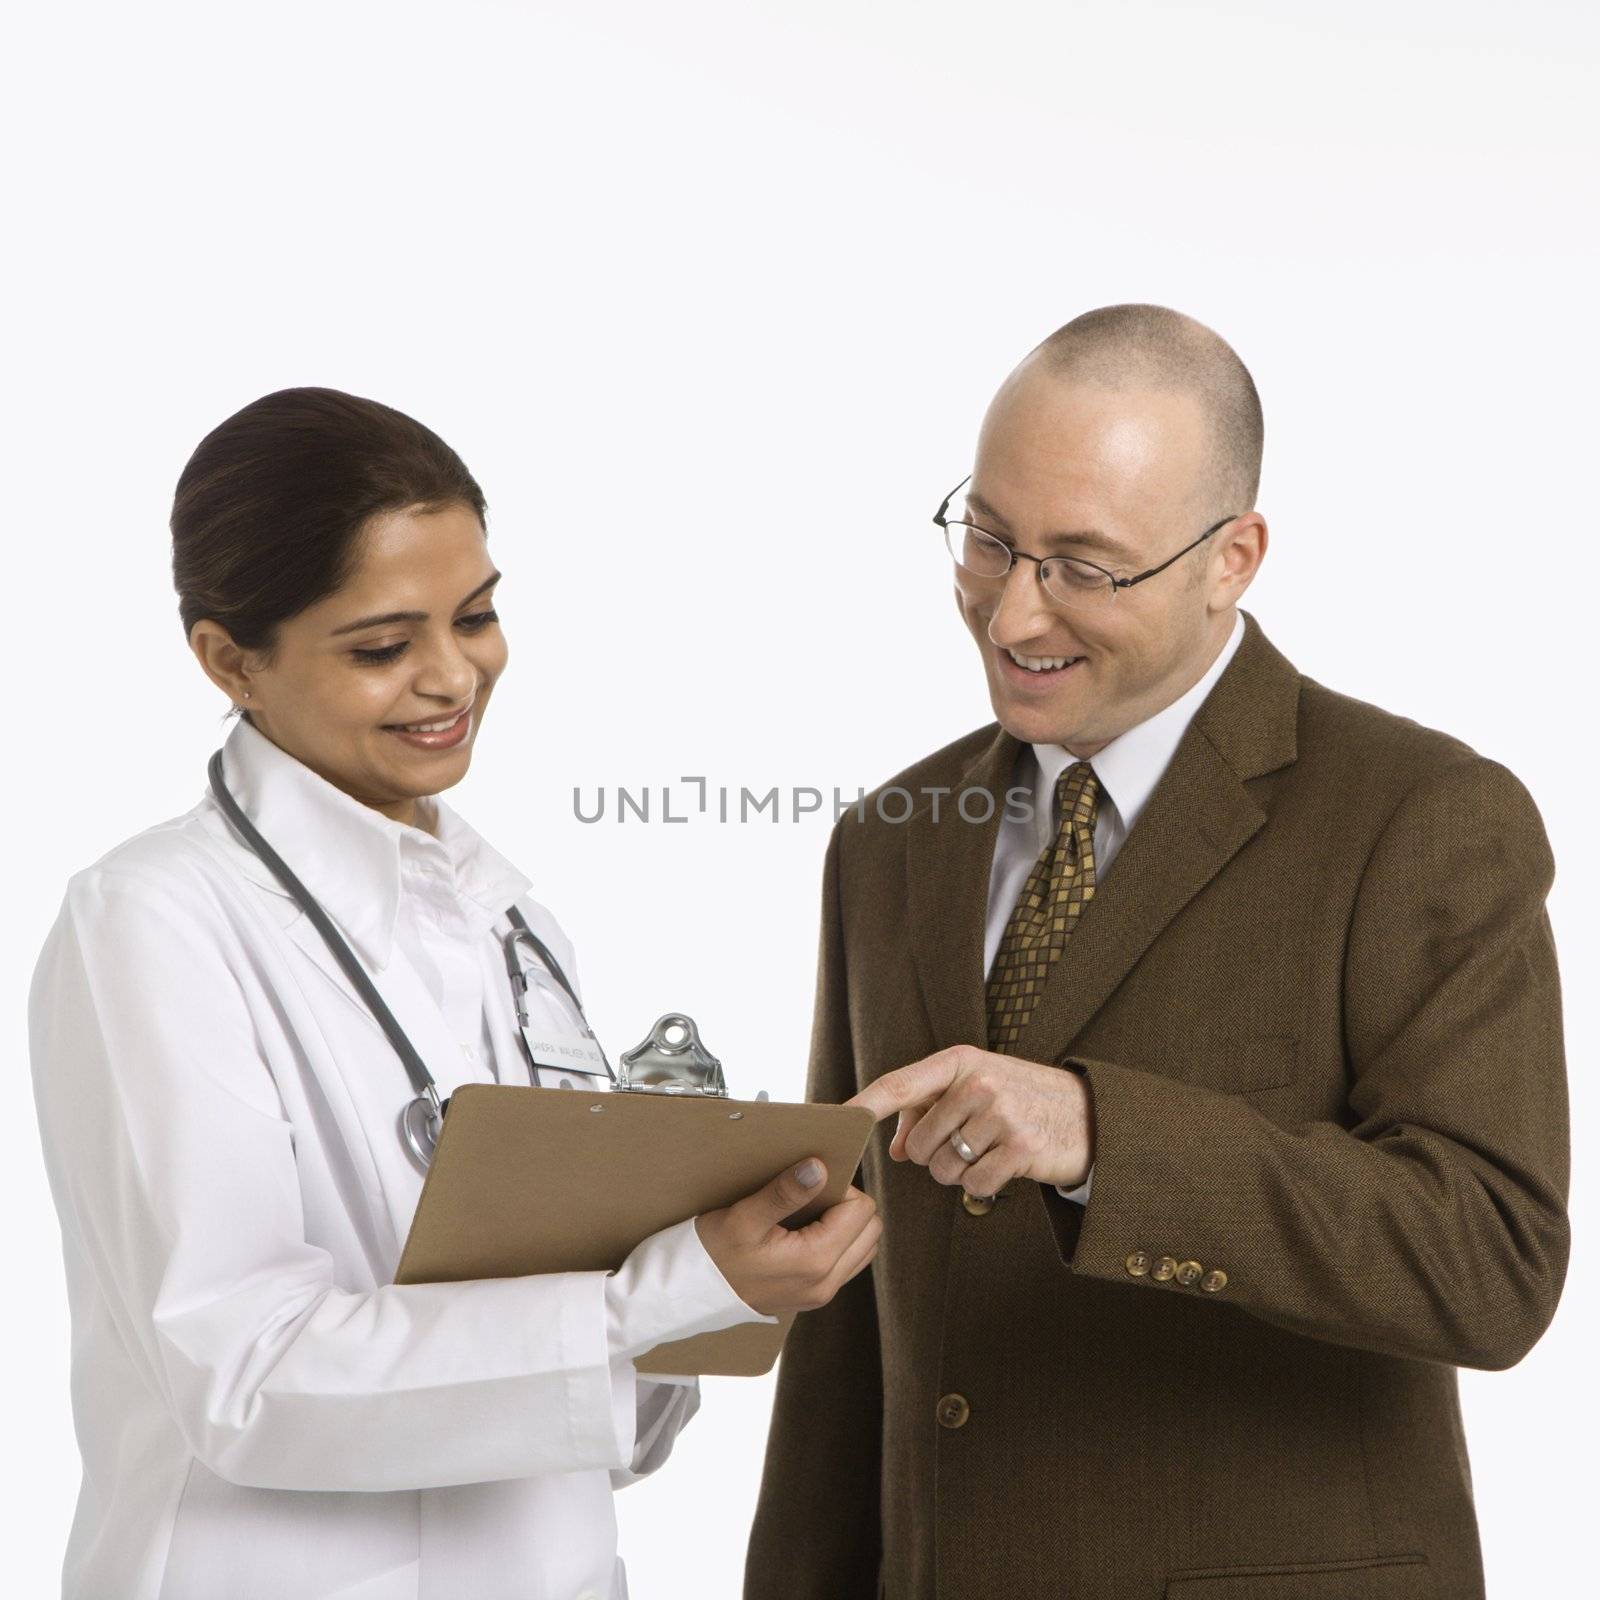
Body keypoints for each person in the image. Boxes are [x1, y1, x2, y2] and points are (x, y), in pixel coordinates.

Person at [744, 305, 1569, 1599]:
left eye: (1083, 565)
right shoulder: (890, 840)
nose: (1014, 610)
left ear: (1231, 557)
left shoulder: (1422, 817)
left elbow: (1491, 1262)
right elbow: (849, 1341)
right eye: (992, 540)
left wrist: (1104, 1139)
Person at [28, 386, 882, 1600]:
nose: (452, 676)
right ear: (229, 660)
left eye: (475, 616)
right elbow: (247, 1380)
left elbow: (608, 1429)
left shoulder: (510, 915)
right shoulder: (153, 921)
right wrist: (666, 1288)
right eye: (382, 645)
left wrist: (723, 1267)